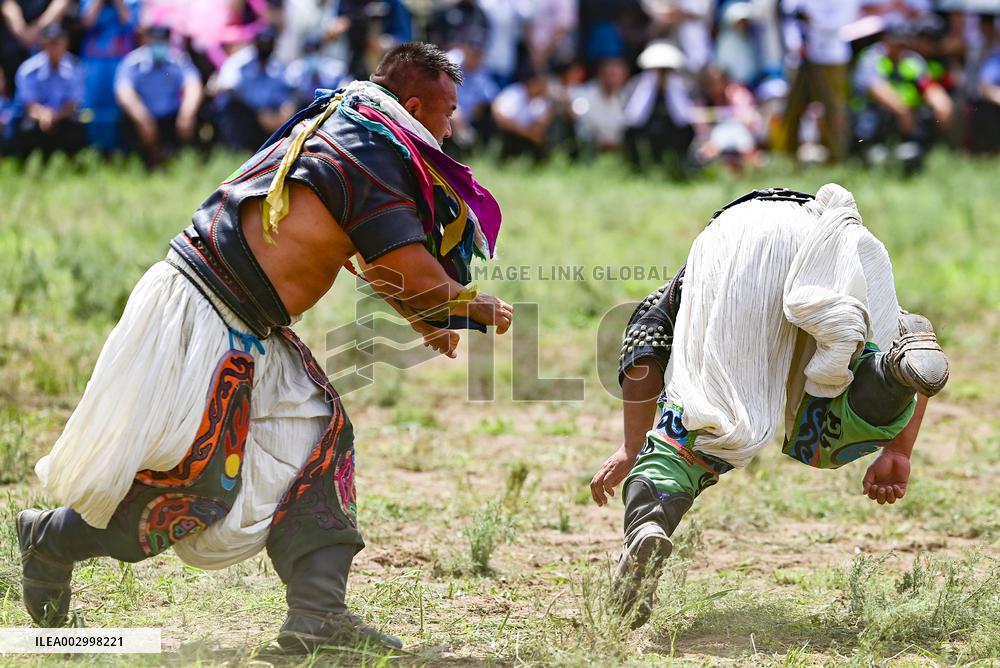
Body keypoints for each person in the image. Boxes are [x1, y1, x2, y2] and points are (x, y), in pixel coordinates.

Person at [17, 42, 513, 653]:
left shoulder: (357, 129)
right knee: (195, 484)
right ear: (414, 104)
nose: (452, 123)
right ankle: (52, 540)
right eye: (448, 110)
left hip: (243, 318)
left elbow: (365, 253)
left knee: (318, 437)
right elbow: (406, 269)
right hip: (207, 309)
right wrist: (471, 305)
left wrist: (425, 317)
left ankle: (317, 617)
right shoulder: (367, 147)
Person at [591, 185, 949, 629]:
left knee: (699, 426)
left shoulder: (700, 270)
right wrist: (898, 450)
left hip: (740, 241)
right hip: (830, 235)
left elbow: (645, 335)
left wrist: (633, 446)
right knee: (830, 413)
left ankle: (648, 525)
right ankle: (894, 373)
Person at [852, 25, 954, 172]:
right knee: (873, 118)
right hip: (875, 117)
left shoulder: (911, 59)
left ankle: (915, 150)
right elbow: (876, 89)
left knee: (928, 114)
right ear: (886, 41)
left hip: (906, 118)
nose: (900, 49)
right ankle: (869, 153)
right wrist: (902, 110)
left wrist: (942, 103)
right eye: (897, 44)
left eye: (904, 44)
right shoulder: (871, 58)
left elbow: (927, 85)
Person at [778, 0, 860, 163]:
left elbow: (843, 22)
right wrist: (795, 43)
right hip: (799, 59)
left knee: (834, 110)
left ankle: (837, 158)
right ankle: (787, 158)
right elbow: (788, 18)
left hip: (832, 57)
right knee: (792, 109)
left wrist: (812, 20)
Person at [114, 24, 203, 167]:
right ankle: (140, 163)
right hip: (142, 118)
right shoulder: (132, 62)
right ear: (146, 40)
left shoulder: (178, 59)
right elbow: (123, 92)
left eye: (163, 40)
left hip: (171, 119)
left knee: (198, 117)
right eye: (156, 40)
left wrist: (187, 114)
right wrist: (142, 117)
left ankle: (186, 161)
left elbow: (194, 85)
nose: (159, 44)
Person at [10, 22, 86, 159]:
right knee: (25, 128)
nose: (54, 48)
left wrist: (54, 117)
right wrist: (44, 115)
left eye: (57, 43)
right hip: (36, 116)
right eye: (50, 43)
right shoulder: (29, 69)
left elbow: (73, 103)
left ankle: (73, 165)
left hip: (63, 116)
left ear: (65, 44)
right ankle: (26, 165)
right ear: (43, 45)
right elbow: (28, 104)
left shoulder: (75, 67)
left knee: (77, 127)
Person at [214, 26, 295, 150]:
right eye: (262, 43)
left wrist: (284, 111)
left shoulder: (277, 65)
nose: (265, 47)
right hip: (243, 112)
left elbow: (287, 92)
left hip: (268, 116)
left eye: (269, 44)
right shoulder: (241, 61)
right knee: (234, 109)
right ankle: (234, 151)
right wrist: (258, 112)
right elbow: (228, 88)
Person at [622, 41, 696, 173]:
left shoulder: (681, 85)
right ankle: (637, 168)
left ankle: (678, 168)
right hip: (647, 129)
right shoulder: (638, 84)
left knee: (688, 132)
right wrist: (649, 87)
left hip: (671, 131)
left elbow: (683, 118)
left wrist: (671, 89)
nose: (662, 74)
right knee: (629, 133)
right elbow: (634, 118)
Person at [79, 0, 140, 152]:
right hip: (94, 64)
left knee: (119, 108)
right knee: (93, 109)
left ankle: (120, 150)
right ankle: (94, 149)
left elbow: (130, 23)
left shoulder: (132, 2)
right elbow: (87, 22)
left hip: (120, 63)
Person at [492, 68, 556, 161]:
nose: (543, 89)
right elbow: (500, 116)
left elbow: (541, 124)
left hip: (528, 136)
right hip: (510, 135)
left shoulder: (541, 100)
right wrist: (527, 132)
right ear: (533, 83)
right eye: (541, 85)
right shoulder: (515, 93)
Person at [570, 56, 630, 153]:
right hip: (590, 148)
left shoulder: (627, 97)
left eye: (616, 75)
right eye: (609, 74)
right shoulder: (584, 94)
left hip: (619, 149)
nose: (612, 79)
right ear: (601, 75)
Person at [284, 35, 350, 108]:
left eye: (315, 50)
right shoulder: (295, 68)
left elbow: (345, 85)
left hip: (329, 103)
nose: (312, 53)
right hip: (302, 105)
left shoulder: (334, 68)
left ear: (321, 50)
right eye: (308, 50)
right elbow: (289, 91)